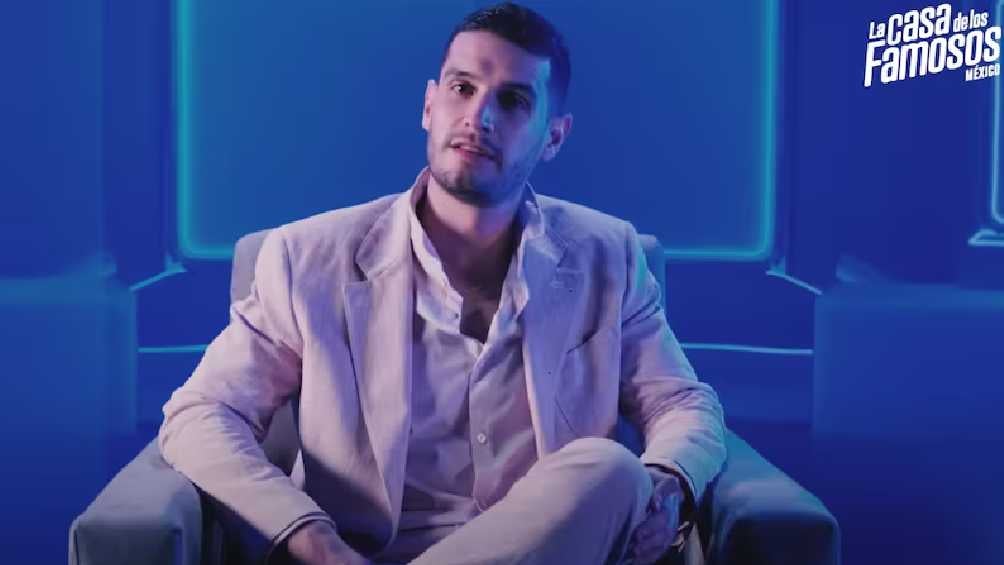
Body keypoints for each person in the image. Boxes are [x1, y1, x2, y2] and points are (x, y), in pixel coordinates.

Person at [158, 3, 726, 564]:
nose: (479, 117)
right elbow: (201, 413)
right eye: (462, 88)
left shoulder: (608, 255)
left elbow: (681, 402)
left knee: (612, 472)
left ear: (554, 137)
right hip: (362, 556)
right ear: (429, 106)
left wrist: (668, 481)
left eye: (513, 100)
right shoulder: (306, 260)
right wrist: (314, 540)